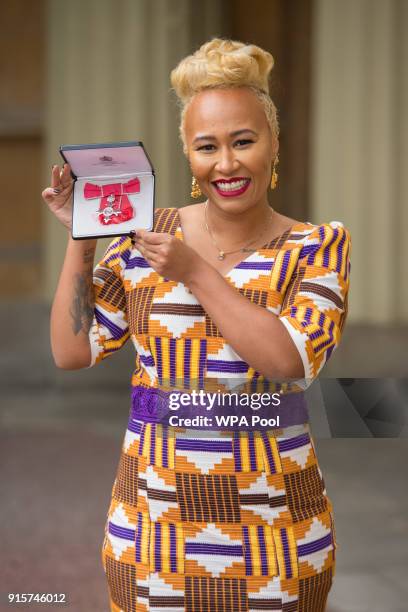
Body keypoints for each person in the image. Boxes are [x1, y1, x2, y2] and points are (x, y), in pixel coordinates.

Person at [43, 38, 351, 612]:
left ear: (273, 145)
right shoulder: (144, 235)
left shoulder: (316, 246)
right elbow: (73, 350)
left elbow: (290, 362)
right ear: (188, 156)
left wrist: (195, 272)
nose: (227, 163)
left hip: (277, 526)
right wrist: (82, 241)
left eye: (244, 141)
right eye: (207, 146)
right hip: (153, 524)